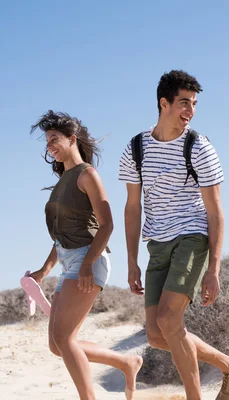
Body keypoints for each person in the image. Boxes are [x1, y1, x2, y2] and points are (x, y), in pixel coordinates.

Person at [119, 70, 229, 400]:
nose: (190, 111)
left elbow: (215, 210)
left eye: (194, 104)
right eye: (184, 103)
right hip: (157, 243)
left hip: (192, 237)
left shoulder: (199, 147)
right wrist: (132, 261)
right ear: (163, 103)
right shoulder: (135, 149)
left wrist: (214, 270)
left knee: (168, 319)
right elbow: (132, 208)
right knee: (155, 334)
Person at [27, 110, 142, 400]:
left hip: (88, 260)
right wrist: (43, 271)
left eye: (54, 139)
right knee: (58, 344)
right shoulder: (62, 181)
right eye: (47, 141)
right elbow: (60, 238)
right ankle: (126, 362)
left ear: (72, 139)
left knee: (65, 339)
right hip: (70, 261)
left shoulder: (87, 175)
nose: (49, 145)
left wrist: (88, 263)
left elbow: (107, 224)